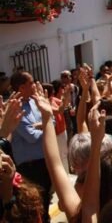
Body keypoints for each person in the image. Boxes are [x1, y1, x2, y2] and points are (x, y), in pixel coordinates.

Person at [9, 71, 51, 223]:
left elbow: (50, 122)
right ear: (21, 88)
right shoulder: (15, 108)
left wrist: (42, 125)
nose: (35, 85)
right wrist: (44, 125)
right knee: (34, 207)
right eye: (31, 83)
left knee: (46, 200)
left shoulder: (35, 102)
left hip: (43, 162)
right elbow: (31, 136)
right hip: (30, 168)